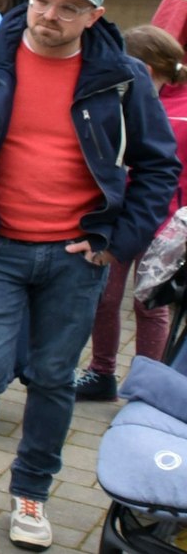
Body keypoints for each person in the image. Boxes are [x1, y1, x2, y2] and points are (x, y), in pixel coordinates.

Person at [0, 0, 178, 548]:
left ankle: (31, 493)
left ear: (93, 16)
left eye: (68, 8)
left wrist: (119, 243)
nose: (49, 15)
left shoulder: (122, 77)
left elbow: (159, 167)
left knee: (54, 378)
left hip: (76, 258)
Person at [75, 24, 187, 402]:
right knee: (105, 297)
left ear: (148, 69)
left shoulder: (179, 108)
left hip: (169, 226)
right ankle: (101, 373)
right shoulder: (124, 96)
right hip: (124, 216)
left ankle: (144, 388)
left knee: (149, 305)